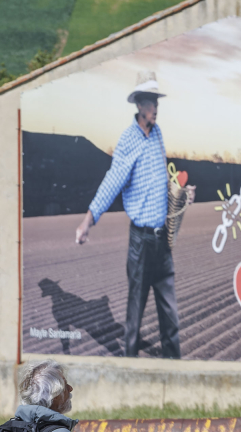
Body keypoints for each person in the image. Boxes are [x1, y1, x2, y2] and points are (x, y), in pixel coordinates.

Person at [74, 71, 194, 359]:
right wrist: (87, 220)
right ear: (140, 105)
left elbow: (160, 179)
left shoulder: (158, 135)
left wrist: (180, 191)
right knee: (134, 318)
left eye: (157, 102)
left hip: (162, 241)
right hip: (141, 244)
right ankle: (129, 371)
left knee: (171, 317)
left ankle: (174, 371)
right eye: (152, 102)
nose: (156, 107)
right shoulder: (128, 140)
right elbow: (112, 181)